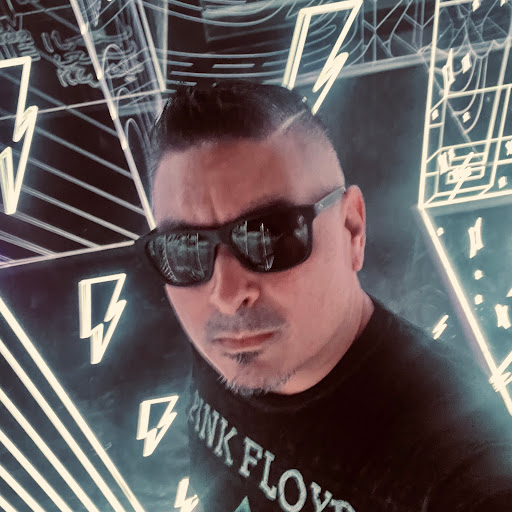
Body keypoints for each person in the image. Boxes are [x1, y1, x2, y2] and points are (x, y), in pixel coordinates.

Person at [140, 80, 512, 511]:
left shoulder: (458, 457)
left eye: (270, 236)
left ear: (352, 229)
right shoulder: (229, 336)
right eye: (184, 249)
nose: (225, 295)